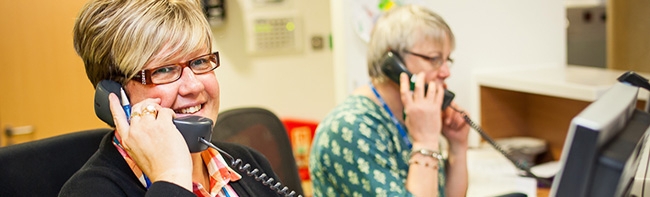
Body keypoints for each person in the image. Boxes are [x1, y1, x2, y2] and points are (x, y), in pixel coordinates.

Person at [60, 0, 290, 196]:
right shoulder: (90, 190)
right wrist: (171, 179)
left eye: (200, 62)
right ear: (116, 95)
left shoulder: (249, 164)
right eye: (164, 70)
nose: (193, 85)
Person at [309, 5, 469, 197]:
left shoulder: (412, 115)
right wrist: (425, 141)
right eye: (434, 59)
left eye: (446, 60)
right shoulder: (351, 128)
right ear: (393, 63)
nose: (445, 73)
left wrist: (458, 148)